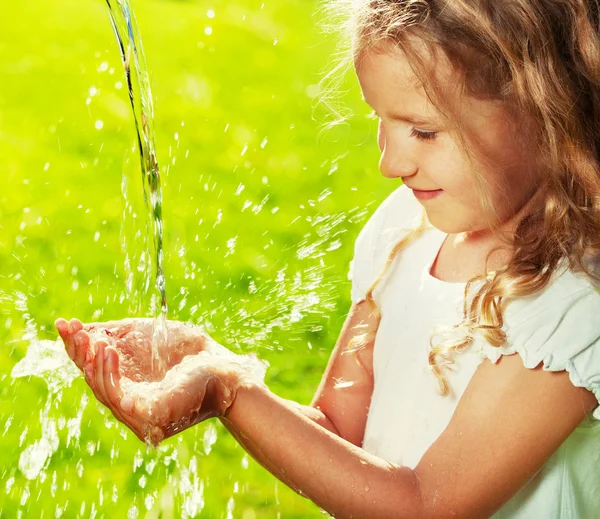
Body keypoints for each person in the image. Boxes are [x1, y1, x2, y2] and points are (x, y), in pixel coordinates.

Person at [55, 1, 600, 517]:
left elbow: (427, 503)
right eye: (379, 121)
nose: (390, 162)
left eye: (424, 132)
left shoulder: (571, 300)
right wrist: (212, 360)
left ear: (547, 110)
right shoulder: (403, 231)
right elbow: (336, 434)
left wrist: (229, 390)